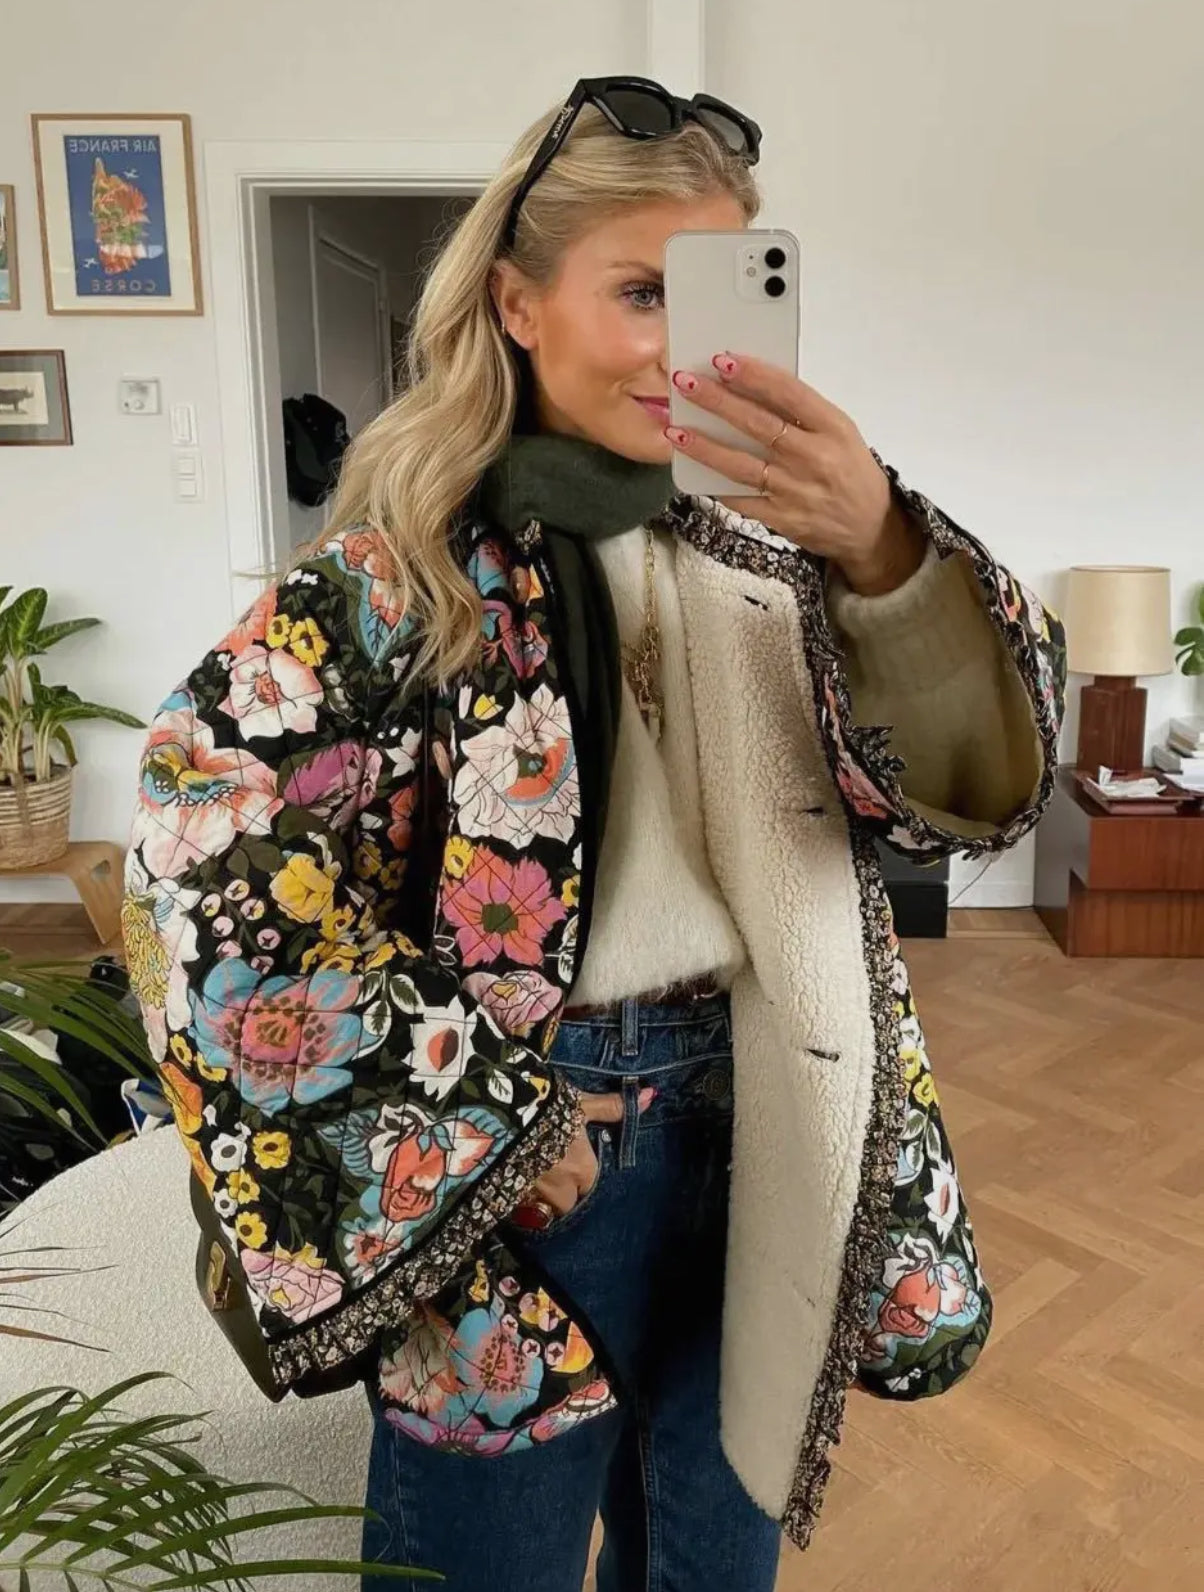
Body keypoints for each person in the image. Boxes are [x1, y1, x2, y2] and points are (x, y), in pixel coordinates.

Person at [121, 75, 1066, 1592]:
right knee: (479, 1562)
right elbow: (194, 840)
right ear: (517, 303)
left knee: (713, 1552)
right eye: (642, 291)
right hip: (526, 1158)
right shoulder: (398, 574)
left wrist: (884, 546)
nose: (689, 344)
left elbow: (972, 780)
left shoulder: (787, 545)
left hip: (763, 1124)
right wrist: (479, 1121)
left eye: (721, 289)